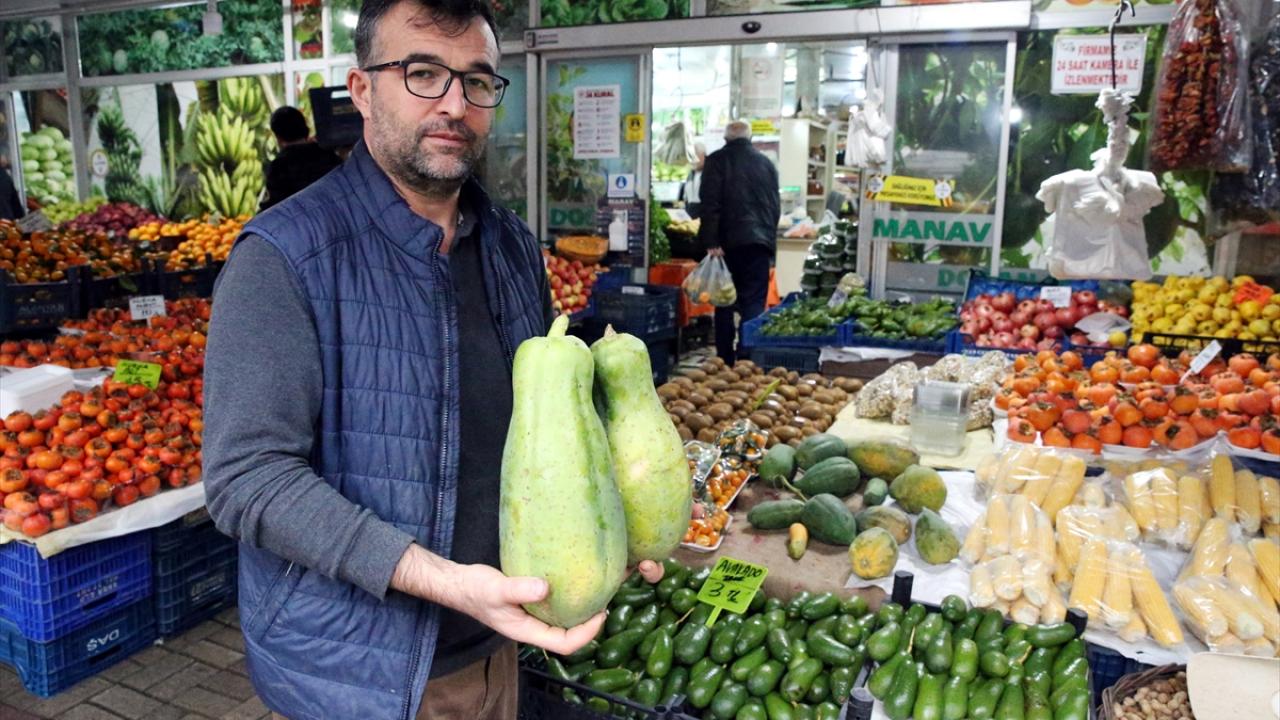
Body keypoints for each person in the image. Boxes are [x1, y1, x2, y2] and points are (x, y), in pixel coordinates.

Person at [202, 2, 661, 719]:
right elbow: (246, 480)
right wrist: (443, 579)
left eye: (477, 81)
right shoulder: (284, 258)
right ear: (362, 90)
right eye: (423, 73)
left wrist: (622, 514)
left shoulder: (508, 242)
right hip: (359, 675)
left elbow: (553, 423)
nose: (454, 103)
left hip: (500, 637)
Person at [698, 120, 781, 364]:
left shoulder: (716, 161)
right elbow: (774, 207)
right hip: (758, 244)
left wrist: (711, 240)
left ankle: (724, 357)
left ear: (726, 139)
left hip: (726, 244)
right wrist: (768, 240)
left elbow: (710, 204)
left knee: (724, 300)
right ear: (750, 138)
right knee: (753, 300)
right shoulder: (766, 164)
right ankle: (748, 355)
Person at [259, 106, 342, 210]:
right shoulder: (328, 156)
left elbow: (272, 207)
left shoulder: (279, 166)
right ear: (305, 128)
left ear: (278, 137)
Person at [678, 142, 706, 218]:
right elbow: (686, 198)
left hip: (704, 217)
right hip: (690, 216)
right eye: (691, 156)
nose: (692, 160)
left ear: (703, 156)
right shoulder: (690, 175)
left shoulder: (710, 174)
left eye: (695, 156)